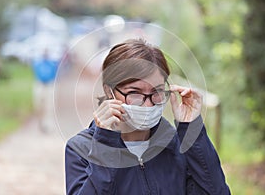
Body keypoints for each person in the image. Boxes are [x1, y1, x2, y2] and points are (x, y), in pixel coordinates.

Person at [65, 39, 230, 195]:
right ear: (109, 91)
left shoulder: (178, 145)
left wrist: (192, 130)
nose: (148, 105)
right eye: (135, 93)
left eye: (157, 91)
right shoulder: (81, 148)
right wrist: (106, 144)